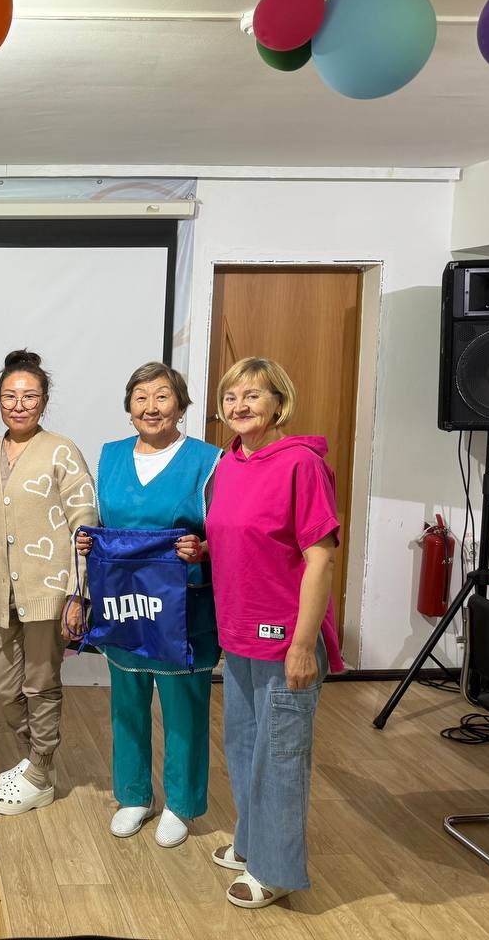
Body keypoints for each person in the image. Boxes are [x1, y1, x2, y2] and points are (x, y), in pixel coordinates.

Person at [205, 356, 343, 909]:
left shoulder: (301, 464)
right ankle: (250, 841)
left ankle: (277, 869)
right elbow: (244, 537)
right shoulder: (230, 463)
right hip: (237, 632)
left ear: (279, 403)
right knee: (243, 747)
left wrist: (304, 644)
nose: (239, 405)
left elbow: (321, 558)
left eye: (253, 395)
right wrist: (202, 548)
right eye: (231, 396)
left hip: (285, 637)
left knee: (280, 756)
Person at [74, 363, 222, 848]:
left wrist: (202, 549)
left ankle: (181, 804)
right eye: (141, 397)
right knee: (127, 702)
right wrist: (89, 541)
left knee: (184, 708)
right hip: (124, 602)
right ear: (129, 407)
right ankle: (134, 795)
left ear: (180, 405)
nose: (151, 407)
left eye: (162, 396)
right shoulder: (111, 456)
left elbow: (227, 533)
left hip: (183, 607)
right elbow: (105, 522)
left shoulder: (208, 461)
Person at [0, 349, 98, 815]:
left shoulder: (61, 450)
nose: (19, 405)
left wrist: (78, 593)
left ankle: (41, 770)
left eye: (29, 396)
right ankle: (34, 757)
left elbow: (85, 525)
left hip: (49, 588)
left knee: (41, 684)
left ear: (44, 401)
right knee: (5, 687)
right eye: (10, 396)